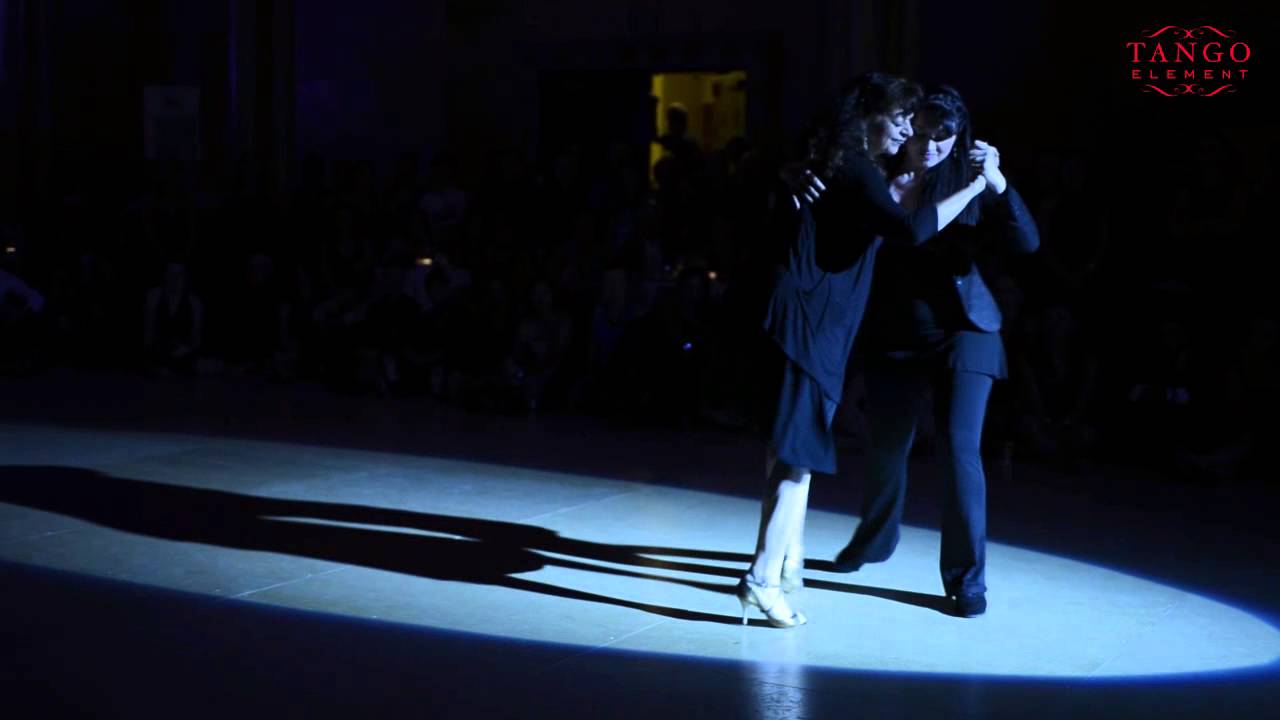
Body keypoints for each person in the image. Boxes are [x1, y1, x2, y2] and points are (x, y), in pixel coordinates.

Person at [740, 74, 990, 628]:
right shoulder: (851, 166)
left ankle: (784, 567)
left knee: (790, 454)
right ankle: (762, 577)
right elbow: (909, 228)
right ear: (866, 116)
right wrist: (974, 189)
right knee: (796, 460)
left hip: (817, 323)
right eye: (898, 117)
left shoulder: (845, 165)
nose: (906, 129)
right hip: (809, 321)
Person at [816, 86, 1040, 618]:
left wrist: (1000, 183)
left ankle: (967, 580)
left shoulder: (969, 182)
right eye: (919, 132)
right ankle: (875, 540)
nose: (929, 144)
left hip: (966, 331)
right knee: (887, 447)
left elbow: (1026, 242)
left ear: (958, 136)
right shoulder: (876, 178)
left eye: (942, 134)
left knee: (959, 450)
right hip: (896, 335)